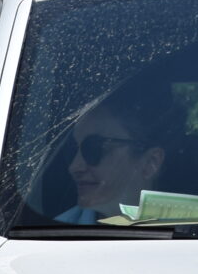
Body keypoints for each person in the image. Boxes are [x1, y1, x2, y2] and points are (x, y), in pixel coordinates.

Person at [59, 88, 179, 223]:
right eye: (73, 150)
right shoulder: (54, 236)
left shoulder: (191, 235)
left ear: (150, 163)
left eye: (94, 148)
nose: (74, 167)